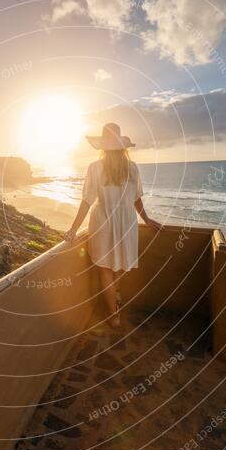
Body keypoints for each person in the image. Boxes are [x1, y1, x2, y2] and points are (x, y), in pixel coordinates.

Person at [65, 123, 162, 328]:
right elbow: (137, 199)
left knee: (105, 270)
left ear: (102, 146)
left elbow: (87, 201)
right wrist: (146, 219)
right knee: (117, 264)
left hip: (103, 222)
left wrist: (73, 229)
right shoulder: (132, 167)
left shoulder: (95, 167)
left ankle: (113, 315)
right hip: (127, 223)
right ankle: (115, 295)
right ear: (122, 146)